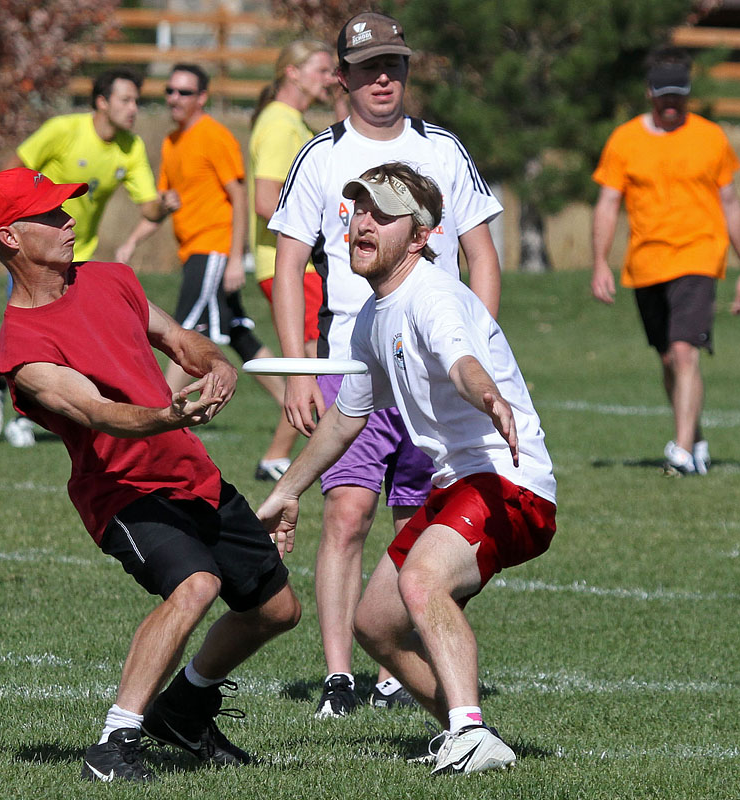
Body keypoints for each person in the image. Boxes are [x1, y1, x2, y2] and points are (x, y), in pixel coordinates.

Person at [0, 167, 300, 782]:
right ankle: (115, 741)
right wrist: (169, 412)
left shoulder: (110, 279)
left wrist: (215, 364)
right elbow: (99, 414)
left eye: (67, 209)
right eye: (52, 215)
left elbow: (177, 338)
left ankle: (184, 708)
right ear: (10, 238)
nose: (70, 221)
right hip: (122, 495)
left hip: (190, 474)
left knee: (277, 610)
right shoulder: (24, 351)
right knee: (197, 584)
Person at [259, 163, 556, 774]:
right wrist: (287, 489)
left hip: (510, 484)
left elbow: (462, 362)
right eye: (357, 211)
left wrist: (487, 395)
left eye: (381, 215)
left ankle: (469, 732)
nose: (361, 223)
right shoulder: (372, 317)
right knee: (375, 624)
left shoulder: (434, 295)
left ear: (420, 237)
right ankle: (469, 732)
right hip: (458, 488)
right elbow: (347, 416)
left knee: (421, 582)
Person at [268, 11, 503, 716]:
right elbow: (287, 268)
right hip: (353, 356)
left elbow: (484, 257)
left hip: (433, 370)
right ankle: (340, 677)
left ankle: (398, 669)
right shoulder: (320, 156)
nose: (382, 78)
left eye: (393, 65)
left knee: (422, 517)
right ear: (340, 77)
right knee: (345, 513)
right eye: (367, 67)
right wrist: (297, 372)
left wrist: (479, 348)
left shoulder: (443, 149)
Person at [0, 68, 180, 448]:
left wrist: (163, 207)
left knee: (74, 343)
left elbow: (147, 208)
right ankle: (9, 395)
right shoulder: (63, 130)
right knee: (33, 339)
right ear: (101, 102)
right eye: (126, 100)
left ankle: (55, 410)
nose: (134, 108)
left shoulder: (130, 147)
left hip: (78, 256)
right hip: (34, 255)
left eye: (137, 100)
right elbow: (14, 170)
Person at [116, 63, 295, 482]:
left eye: (184, 92)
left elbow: (239, 197)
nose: (174, 99)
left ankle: (153, 421)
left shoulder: (214, 135)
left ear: (202, 97)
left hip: (213, 250)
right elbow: (165, 204)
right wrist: (132, 240)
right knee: (238, 333)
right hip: (193, 251)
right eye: (170, 92)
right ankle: (301, 406)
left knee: (180, 332)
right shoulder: (173, 141)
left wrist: (235, 258)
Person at [591, 47, 740, 476]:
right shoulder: (625, 140)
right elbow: (608, 203)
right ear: (649, 93)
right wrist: (599, 262)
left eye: (678, 96)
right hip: (646, 263)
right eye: (664, 95)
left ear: (688, 94)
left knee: (685, 353)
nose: (671, 104)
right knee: (668, 360)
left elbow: (731, 202)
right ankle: (696, 439)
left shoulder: (710, 137)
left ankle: (680, 454)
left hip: (700, 255)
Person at [249, 39, 337, 361]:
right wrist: (317, 239)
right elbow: (265, 202)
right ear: (293, 73)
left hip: (301, 265)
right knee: (315, 364)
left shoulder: (295, 123)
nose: (330, 78)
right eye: (323, 70)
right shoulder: (280, 125)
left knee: (309, 369)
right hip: (294, 265)